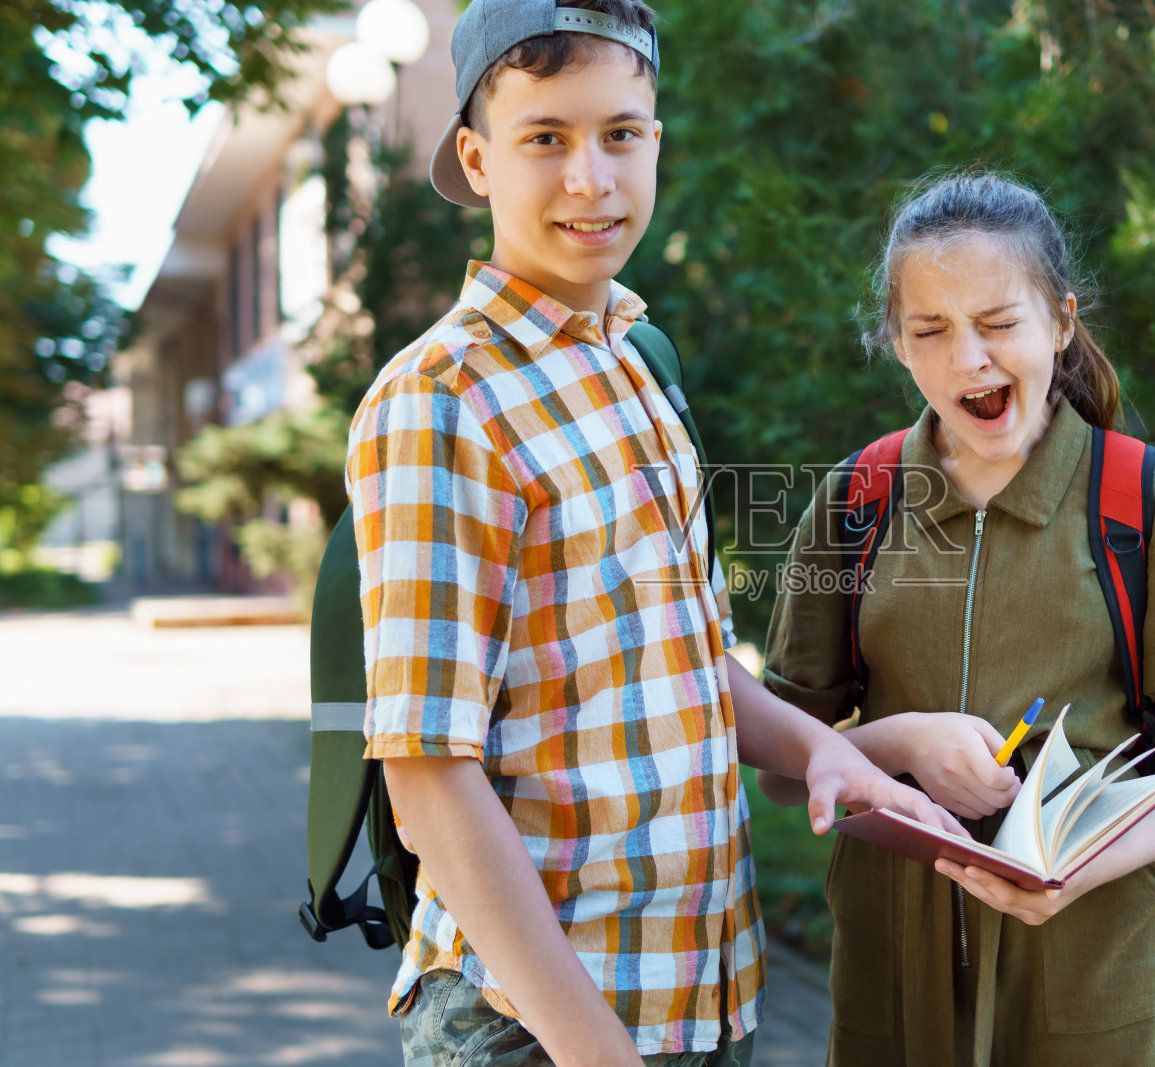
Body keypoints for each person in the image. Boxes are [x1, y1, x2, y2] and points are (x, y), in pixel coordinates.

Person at [344, 4, 963, 1065]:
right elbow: (427, 778)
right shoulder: (442, 399)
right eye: (547, 137)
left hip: (702, 996)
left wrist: (821, 749)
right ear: (476, 157)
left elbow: (679, 661)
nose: (592, 178)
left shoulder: (635, 361)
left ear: (656, 143)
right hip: (540, 1027)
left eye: (621, 133)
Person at [757, 171, 1155, 1067]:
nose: (968, 361)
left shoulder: (1141, 501)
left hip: (1101, 980)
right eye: (931, 332)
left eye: (999, 324)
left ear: (1061, 322)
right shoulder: (853, 505)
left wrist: (1062, 878)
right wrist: (900, 739)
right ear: (896, 346)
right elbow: (788, 769)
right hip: (891, 985)